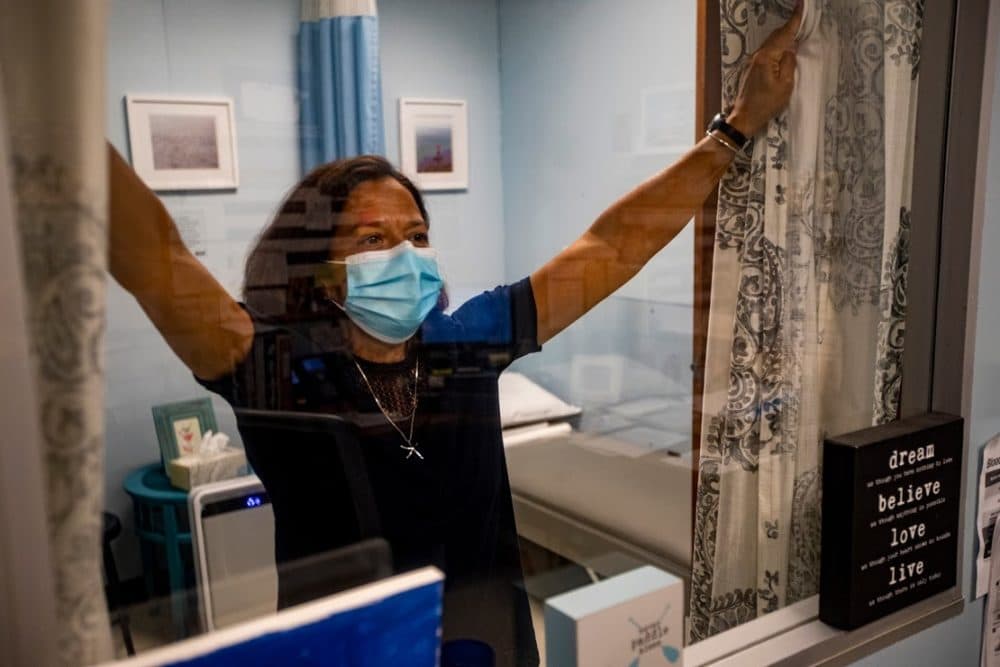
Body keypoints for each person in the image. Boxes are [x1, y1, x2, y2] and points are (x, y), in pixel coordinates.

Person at [108, 8, 800, 665]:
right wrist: (54, 111)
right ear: (318, 269)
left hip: (489, 642)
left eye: (417, 236)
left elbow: (612, 246)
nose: (404, 255)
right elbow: (155, 258)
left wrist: (735, 129)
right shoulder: (276, 368)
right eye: (372, 239)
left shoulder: (465, 341)